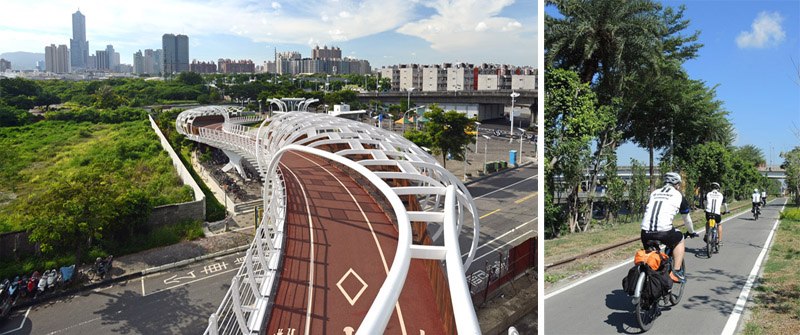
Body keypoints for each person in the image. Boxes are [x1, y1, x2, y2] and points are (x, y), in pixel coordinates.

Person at [640, 172, 698, 283]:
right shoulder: (679, 196)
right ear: (677, 185)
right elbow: (687, 219)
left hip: (645, 232)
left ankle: (647, 285)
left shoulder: (654, 193)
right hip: (664, 232)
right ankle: (676, 272)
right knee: (679, 238)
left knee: (651, 258)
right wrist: (691, 232)